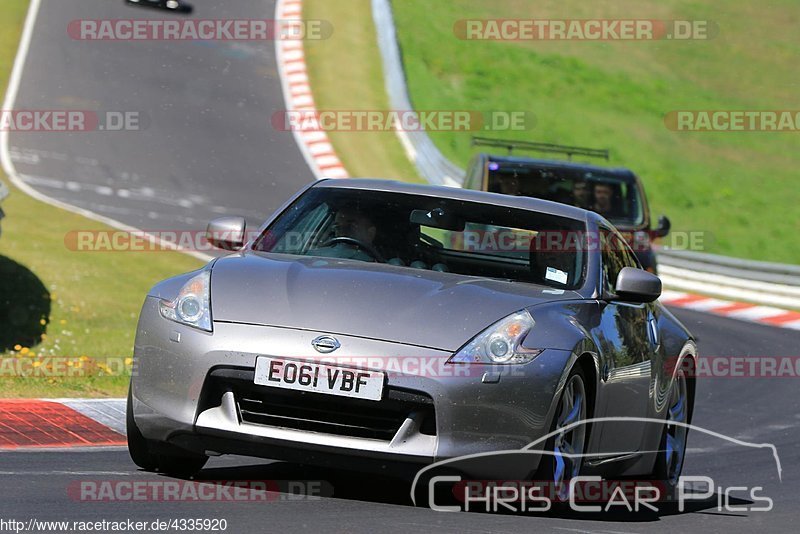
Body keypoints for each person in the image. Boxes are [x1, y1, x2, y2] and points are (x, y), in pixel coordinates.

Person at [310, 204, 380, 262]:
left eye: (350, 227)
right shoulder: (318, 256)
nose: (342, 232)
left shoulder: (384, 266)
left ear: (370, 233)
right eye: (338, 227)